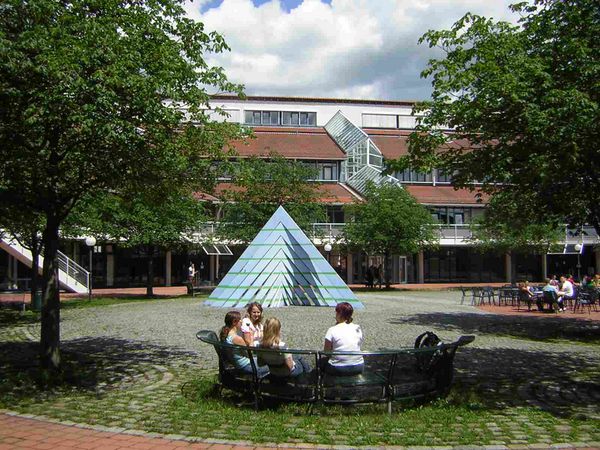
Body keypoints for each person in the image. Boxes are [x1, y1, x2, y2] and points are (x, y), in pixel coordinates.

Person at [219, 310, 269, 377]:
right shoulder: (236, 338)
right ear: (234, 322)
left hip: (238, 364)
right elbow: (250, 352)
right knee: (272, 365)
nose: (241, 321)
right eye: (239, 320)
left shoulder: (226, 334)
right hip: (246, 366)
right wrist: (251, 336)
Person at [323, 302, 364, 375]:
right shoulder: (357, 328)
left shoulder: (332, 330)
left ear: (339, 314)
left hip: (338, 367)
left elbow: (326, 352)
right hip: (359, 365)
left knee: (321, 362)